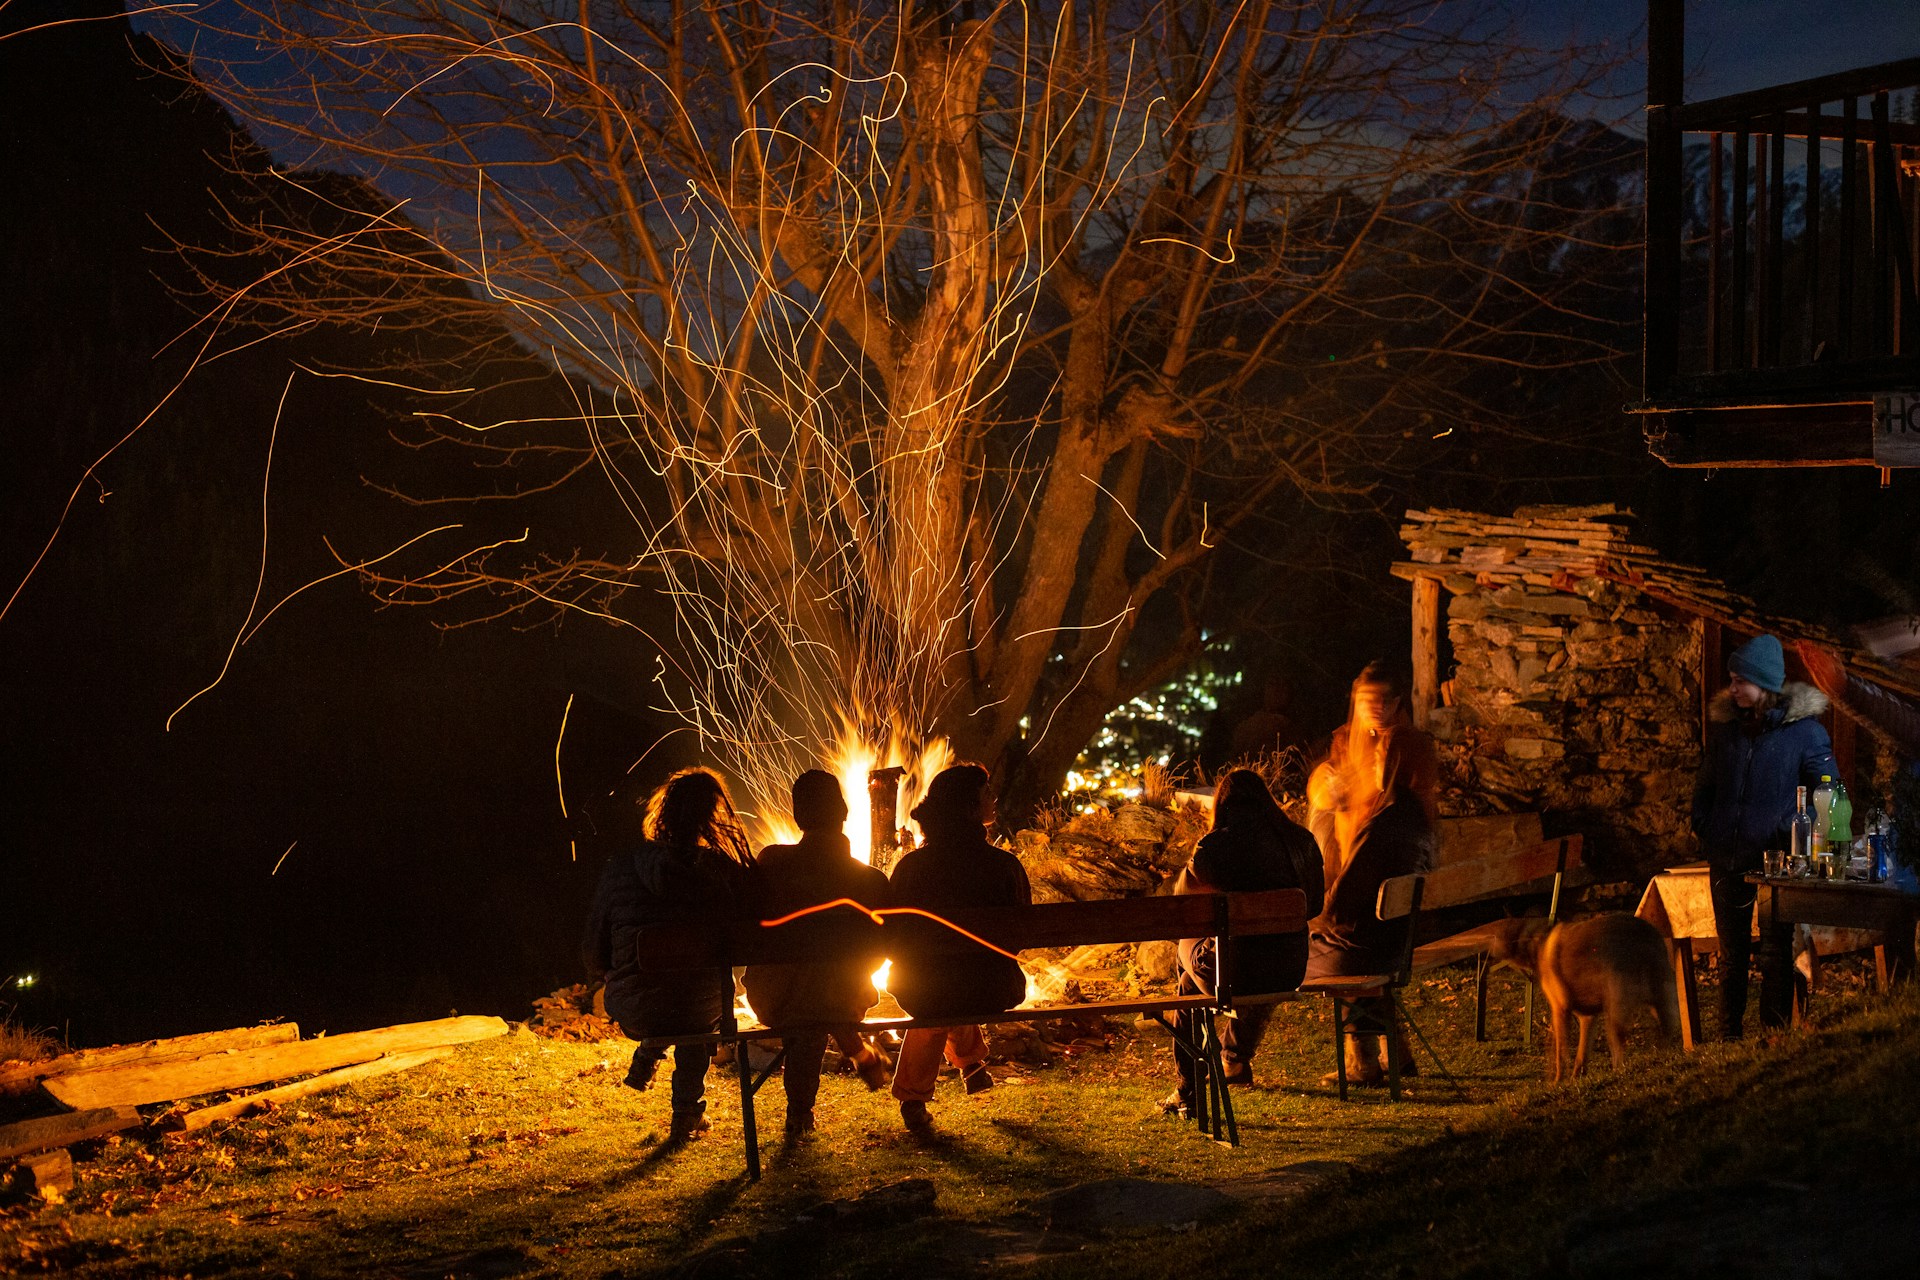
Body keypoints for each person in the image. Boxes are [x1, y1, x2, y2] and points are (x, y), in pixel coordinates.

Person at [582, 767, 758, 1142]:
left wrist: (608, 975)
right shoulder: (719, 869)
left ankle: (649, 1052)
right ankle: (686, 1112)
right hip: (700, 1005)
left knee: (676, 997)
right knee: (695, 1005)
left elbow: (594, 946)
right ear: (712, 817)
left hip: (634, 1005)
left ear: (662, 811)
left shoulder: (621, 867)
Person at [1692, 633, 1837, 1038]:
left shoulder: (1804, 734)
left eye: (1741, 680)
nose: (1733, 687)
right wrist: (1705, 823)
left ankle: (1773, 1036)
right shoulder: (1727, 733)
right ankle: (1728, 1037)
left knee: (1775, 953)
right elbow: (1704, 786)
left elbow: (1829, 791)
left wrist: (1796, 829)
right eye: (1732, 680)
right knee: (1732, 954)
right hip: (1727, 855)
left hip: (1776, 860)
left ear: (1766, 685)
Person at [1160, 769, 1320, 1117]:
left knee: (1186, 972)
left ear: (1222, 805)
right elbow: (1316, 904)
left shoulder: (1214, 847)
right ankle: (1234, 1059)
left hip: (1233, 970)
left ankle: (1188, 1088)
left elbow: (1183, 908)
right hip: (1289, 967)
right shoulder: (1301, 841)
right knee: (1204, 974)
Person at [743, 770, 893, 1137]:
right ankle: (856, 1050)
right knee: (828, 987)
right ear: (844, 812)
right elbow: (881, 953)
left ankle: (801, 1110)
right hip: (844, 998)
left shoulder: (772, 863)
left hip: (776, 998)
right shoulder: (871, 880)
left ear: (797, 817)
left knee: (810, 995)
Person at [885, 763, 1032, 1134]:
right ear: (968, 805)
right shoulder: (1004, 866)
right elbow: (1022, 934)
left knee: (935, 990)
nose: (994, 797)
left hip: (924, 991)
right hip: (994, 988)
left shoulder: (911, 868)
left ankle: (915, 1096)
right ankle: (971, 1064)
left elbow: (891, 936)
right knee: (953, 982)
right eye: (986, 792)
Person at [1305, 734, 1438, 1084]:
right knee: (1347, 946)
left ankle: (1360, 1061)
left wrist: (1311, 922)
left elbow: (1341, 904)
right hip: (1396, 943)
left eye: (1381, 758)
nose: (1374, 765)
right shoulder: (1416, 817)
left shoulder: (1384, 825)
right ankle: (1397, 1053)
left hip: (1368, 951)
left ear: (1396, 765)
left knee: (1306, 955)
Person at [1307, 663, 1439, 890]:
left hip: (1391, 865)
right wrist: (1329, 785)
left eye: (1382, 699)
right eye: (1366, 700)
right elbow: (1327, 790)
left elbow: (1414, 808)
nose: (1374, 707)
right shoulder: (1346, 739)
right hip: (1349, 859)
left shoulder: (1410, 746)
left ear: (1396, 703)